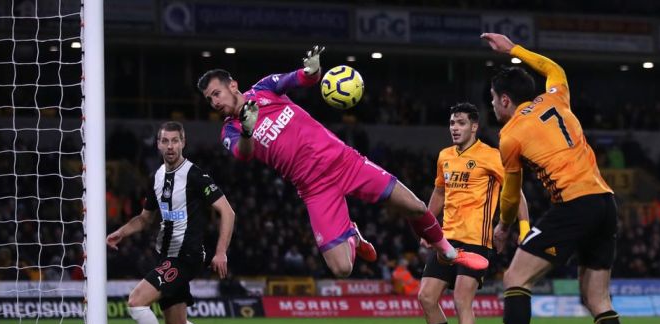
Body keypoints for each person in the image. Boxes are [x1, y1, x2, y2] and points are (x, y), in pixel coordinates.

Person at [196, 46, 488, 279]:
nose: (215, 102)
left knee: (416, 207)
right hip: (314, 187)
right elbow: (243, 154)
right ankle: (353, 234)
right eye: (209, 100)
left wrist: (312, 70)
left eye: (216, 94)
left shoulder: (265, 89)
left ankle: (448, 251)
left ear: (232, 85)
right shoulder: (230, 129)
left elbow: (303, 78)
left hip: (344, 161)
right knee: (342, 269)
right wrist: (248, 128)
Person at [464, 33, 629, 324]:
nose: (491, 105)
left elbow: (510, 192)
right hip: (605, 203)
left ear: (505, 100)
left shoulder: (510, 135)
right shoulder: (557, 97)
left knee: (516, 278)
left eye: (492, 99)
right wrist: (515, 50)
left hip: (574, 205)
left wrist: (505, 227)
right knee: (596, 298)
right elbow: (554, 69)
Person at [106, 121, 240, 324]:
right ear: (157, 144)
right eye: (165, 141)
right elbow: (145, 219)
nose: (169, 147)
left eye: (174, 141)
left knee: (136, 301)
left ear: (183, 143)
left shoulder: (195, 176)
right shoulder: (157, 177)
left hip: (186, 257)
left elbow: (228, 212)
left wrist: (221, 251)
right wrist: (122, 232)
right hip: (165, 256)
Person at [417, 102, 529, 324]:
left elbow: (514, 192)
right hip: (446, 238)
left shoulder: (491, 156)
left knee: (461, 299)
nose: (455, 127)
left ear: (474, 126)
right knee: (426, 297)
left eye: (461, 123)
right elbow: (440, 191)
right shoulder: (444, 157)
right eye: (452, 122)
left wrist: (524, 227)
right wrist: (427, 229)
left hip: (476, 240)